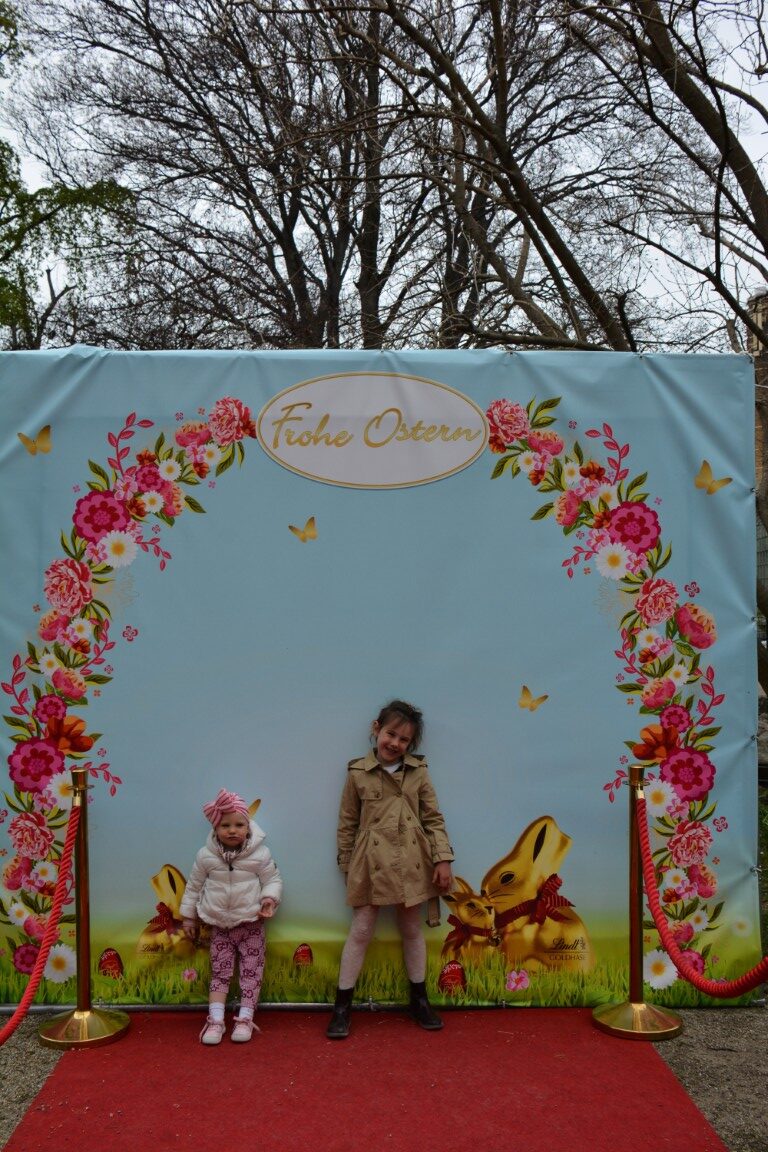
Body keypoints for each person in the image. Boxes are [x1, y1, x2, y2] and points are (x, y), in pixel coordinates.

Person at [327, 699, 454, 1039]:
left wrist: (442, 858)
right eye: (390, 734)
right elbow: (347, 823)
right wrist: (348, 866)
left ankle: (419, 1000)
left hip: (412, 859)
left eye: (404, 739)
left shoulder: (418, 771)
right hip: (369, 862)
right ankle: (342, 1006)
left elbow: (433, 818)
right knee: (361, 930)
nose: (395, 743)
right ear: (376, 729)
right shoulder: (357, 772)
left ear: (411, 744)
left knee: (411, 928)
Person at [181, 788, 283, 1045]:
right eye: (225, 825)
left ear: (248, 827)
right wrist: (188, 918)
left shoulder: (260, 854)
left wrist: (269, 899)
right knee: (220, 972)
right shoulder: (205, 856)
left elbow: (272, 880)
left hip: (251, 923)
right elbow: (193, 887)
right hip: (220, 926)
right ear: (215, 828)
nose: (232, 830)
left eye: (239, 825)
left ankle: (245, 1018)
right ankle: (216, 1020)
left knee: (251, 972)